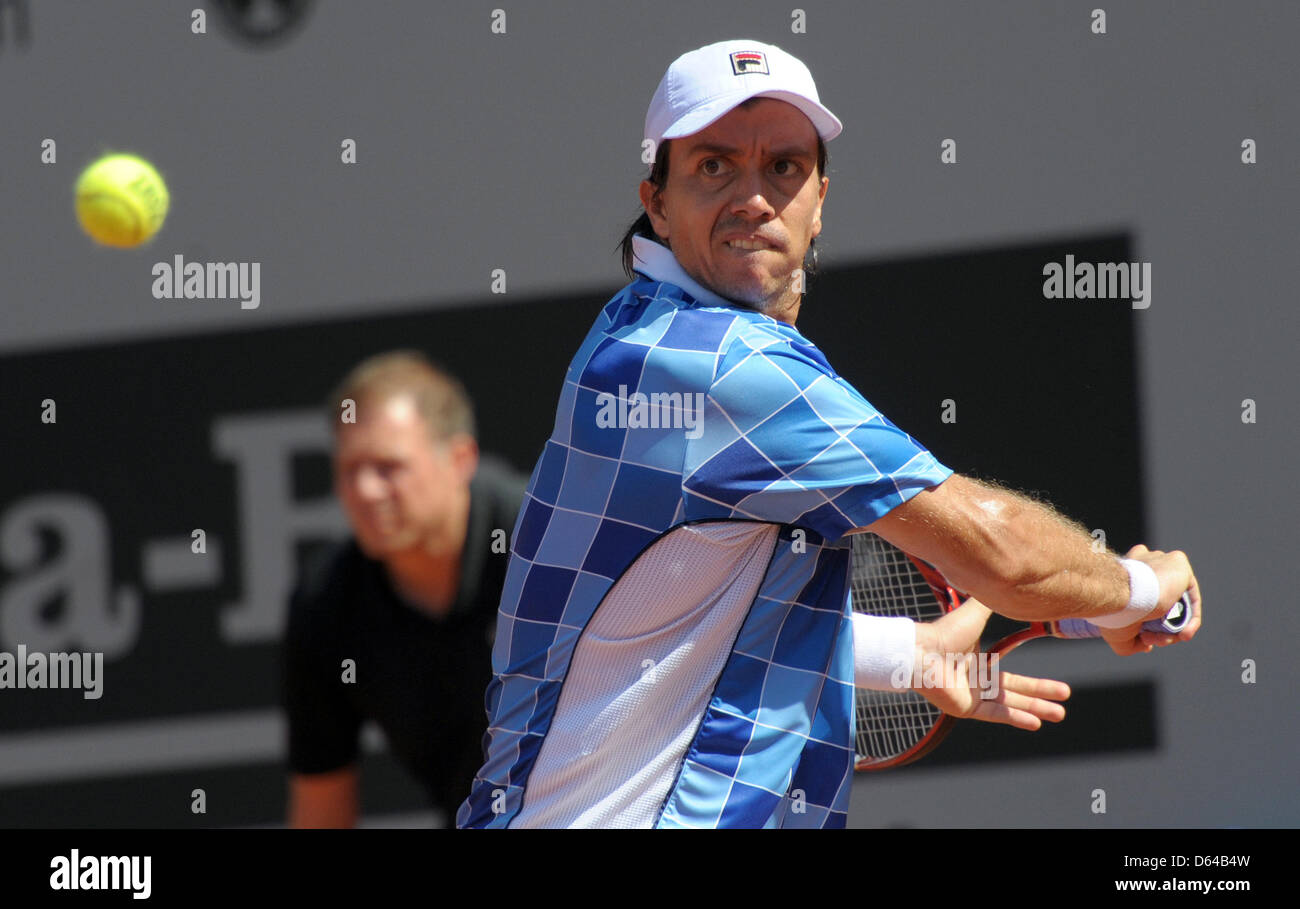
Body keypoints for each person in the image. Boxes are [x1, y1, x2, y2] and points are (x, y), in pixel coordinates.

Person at [457, 39, 1201, 829]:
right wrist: (1141, 589)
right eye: (714, 166)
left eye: (783, 167)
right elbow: (1002, 553)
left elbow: (668, 634)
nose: (753, 196)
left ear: (820, 201)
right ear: (658, 200)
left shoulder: (635, 333)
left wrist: (910, 655)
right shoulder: (715, 365)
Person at [283, 351, 526, 827]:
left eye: (388, 466)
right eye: (350, 469)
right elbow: (321, 810)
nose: (365, 490)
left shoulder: (548, 543)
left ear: (460, 459)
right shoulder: (326, 604)